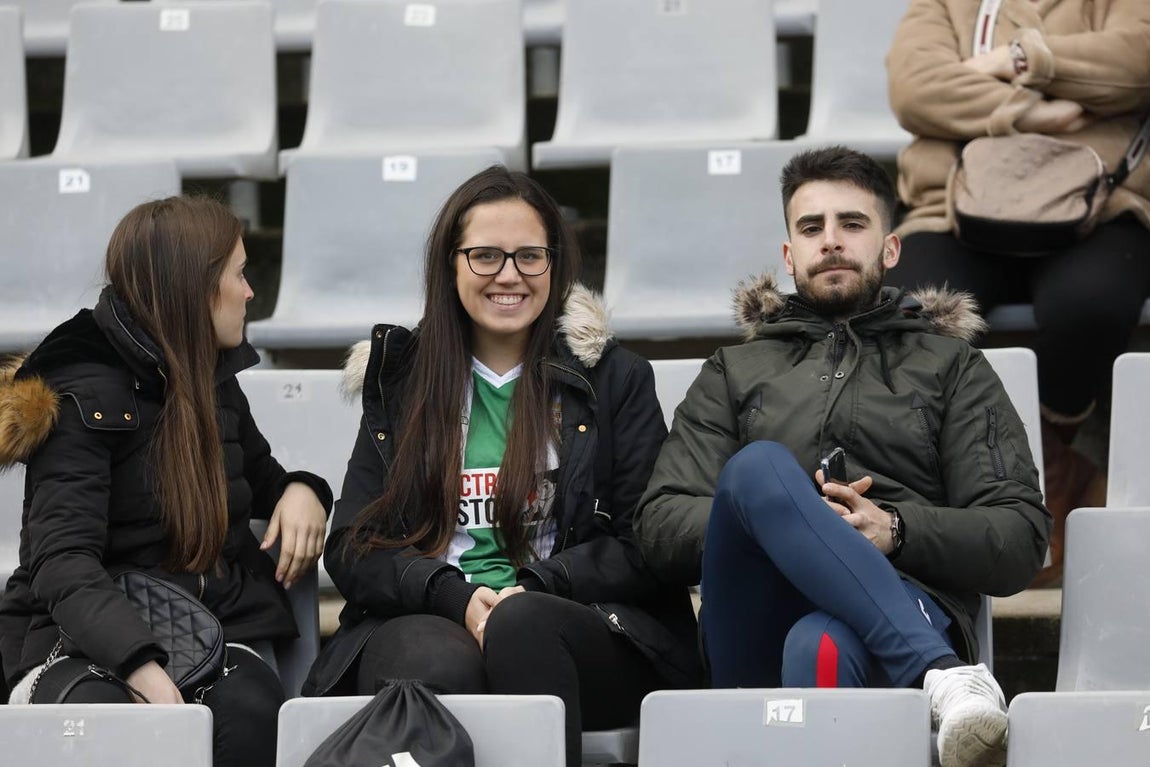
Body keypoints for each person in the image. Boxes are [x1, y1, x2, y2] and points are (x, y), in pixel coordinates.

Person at [636, 147, 1050, 767]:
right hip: (754, 616)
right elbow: (659, 524)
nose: (830, 241)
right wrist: (790, 519)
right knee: (758, 471)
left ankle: (928, 664)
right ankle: (944, 676)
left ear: (890, 248)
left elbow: (1019, 536)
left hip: (903, 602)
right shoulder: (734, 371)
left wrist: (896, 530)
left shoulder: (951, 367)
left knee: (819, 643)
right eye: (811, 228)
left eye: (852, 224)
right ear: (788, 255)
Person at [304, 165, 701, 766]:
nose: (509, 275)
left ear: (554, 264)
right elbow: (355, 544)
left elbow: (644, 543)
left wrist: (538, 585)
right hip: (432, 616)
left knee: (522, 625)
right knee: (432, 660)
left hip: (576, 625)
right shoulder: (402, 383)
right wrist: (449, 595)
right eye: (485, 255)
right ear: (451, 265)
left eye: (528, 256)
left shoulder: (614, 378)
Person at [0, 196, 332, 767]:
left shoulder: (212, 376)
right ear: (195, 286)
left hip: (220, 626)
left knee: (250, 716)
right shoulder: (83, 392)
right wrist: (138, 663)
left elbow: (264, 478)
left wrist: (304, 490)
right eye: (239, 274)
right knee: (112, 726)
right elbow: (62, 561)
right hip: (82, 640)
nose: (251, 292)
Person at [886, 0, 1150, 585]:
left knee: (1091, 304)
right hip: (954, 207)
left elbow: (1136, 63)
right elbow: (914, 88)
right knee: (904, 311)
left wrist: (1017, 58)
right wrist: (1035, 108)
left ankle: (1045, 466)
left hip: (1100, 204)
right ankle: (985, 479)